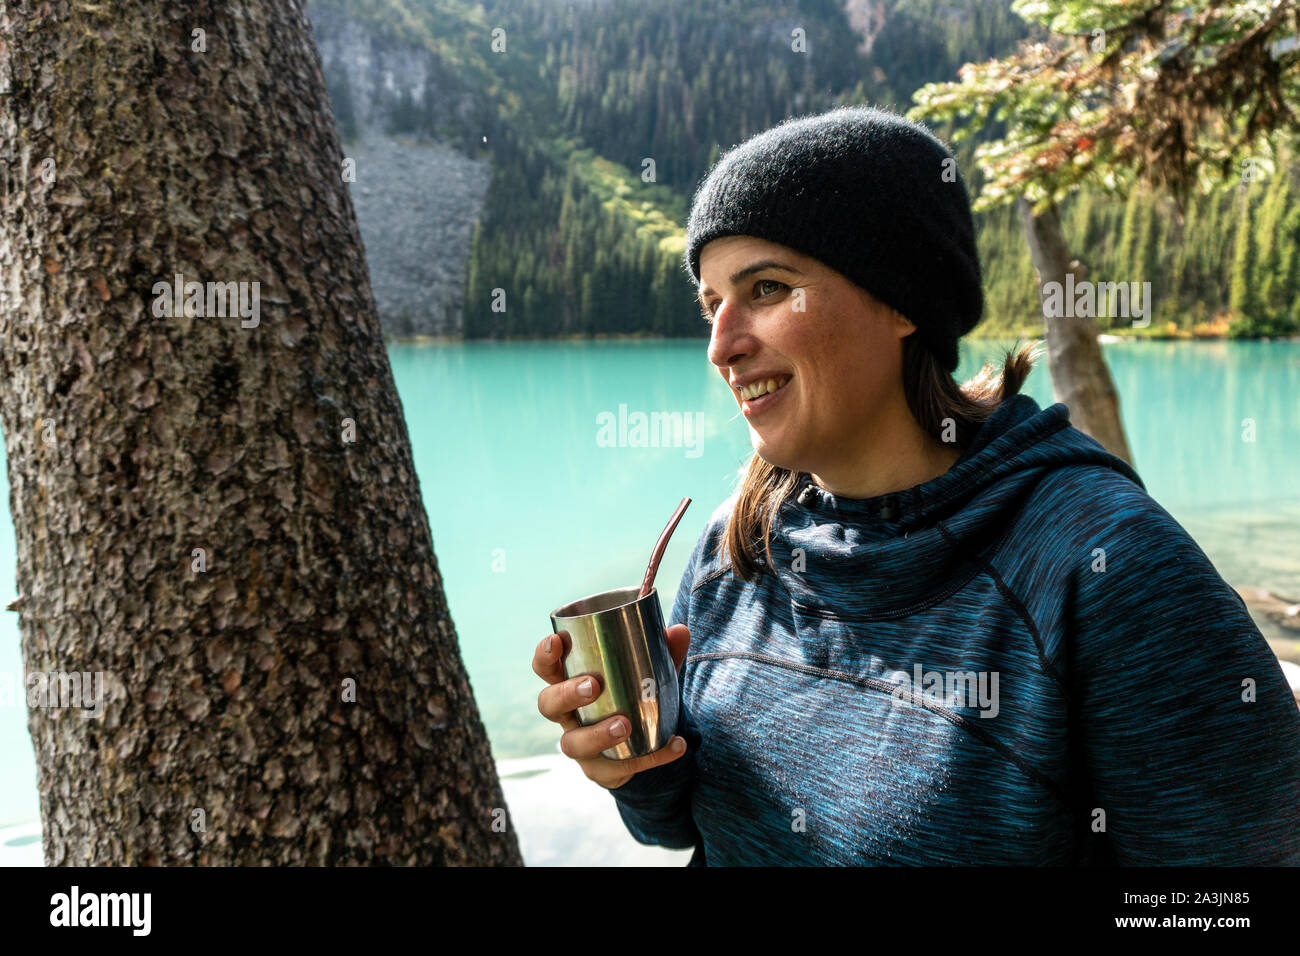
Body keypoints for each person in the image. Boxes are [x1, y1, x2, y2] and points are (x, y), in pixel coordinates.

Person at [532, 105, 1300, 865]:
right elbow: (679, 831)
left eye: (765, 289)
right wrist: (631, 764)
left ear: (901, 300)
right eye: (711, 302)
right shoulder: (735, 546)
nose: (722, 345)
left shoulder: (1106, 567)